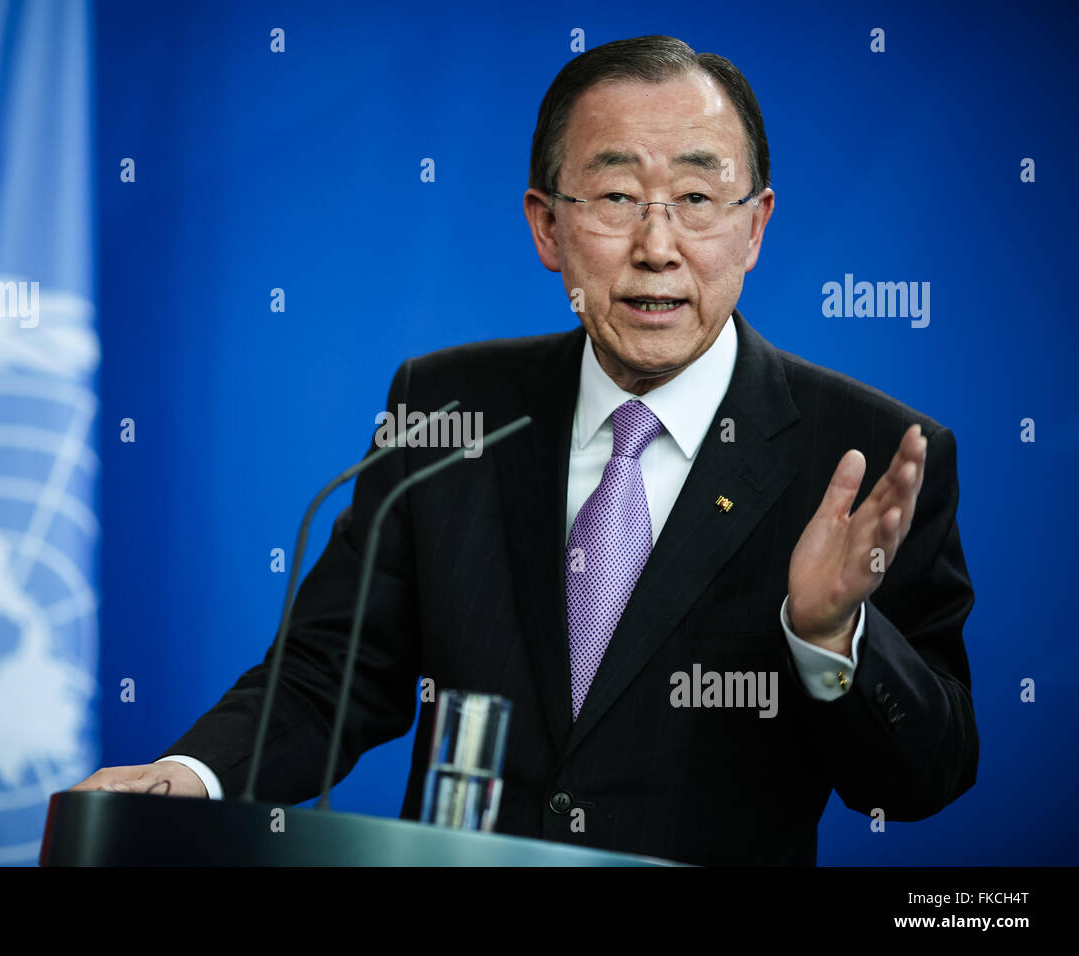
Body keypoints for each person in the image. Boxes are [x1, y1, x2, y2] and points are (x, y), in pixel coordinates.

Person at [72, 35, 977, 865]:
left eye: (697, 199)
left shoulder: (865, 457)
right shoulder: (450, 407)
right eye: (616, 197)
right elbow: (330, 672)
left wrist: (832, 637)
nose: (657, 247)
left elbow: (925, 776)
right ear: (547, 227)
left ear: (755, 225)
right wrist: (189, 778)